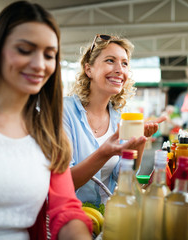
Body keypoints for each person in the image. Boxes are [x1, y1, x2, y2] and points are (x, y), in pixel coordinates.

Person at [0, 1, 92, 239]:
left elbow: (66, 210)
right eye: (24, 50)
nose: (39, 65)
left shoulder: (48, 132)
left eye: (49, 55)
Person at [63, 34, 165, 206]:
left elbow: (122, 176)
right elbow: (64, 183)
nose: (120, 70)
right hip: (67, 220)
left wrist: (139, 142)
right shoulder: (65, 111)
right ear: (89, 70)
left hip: (104, 217)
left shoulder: (120, 116)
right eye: (110, 60)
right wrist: (105, 152)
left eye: (124, 63)